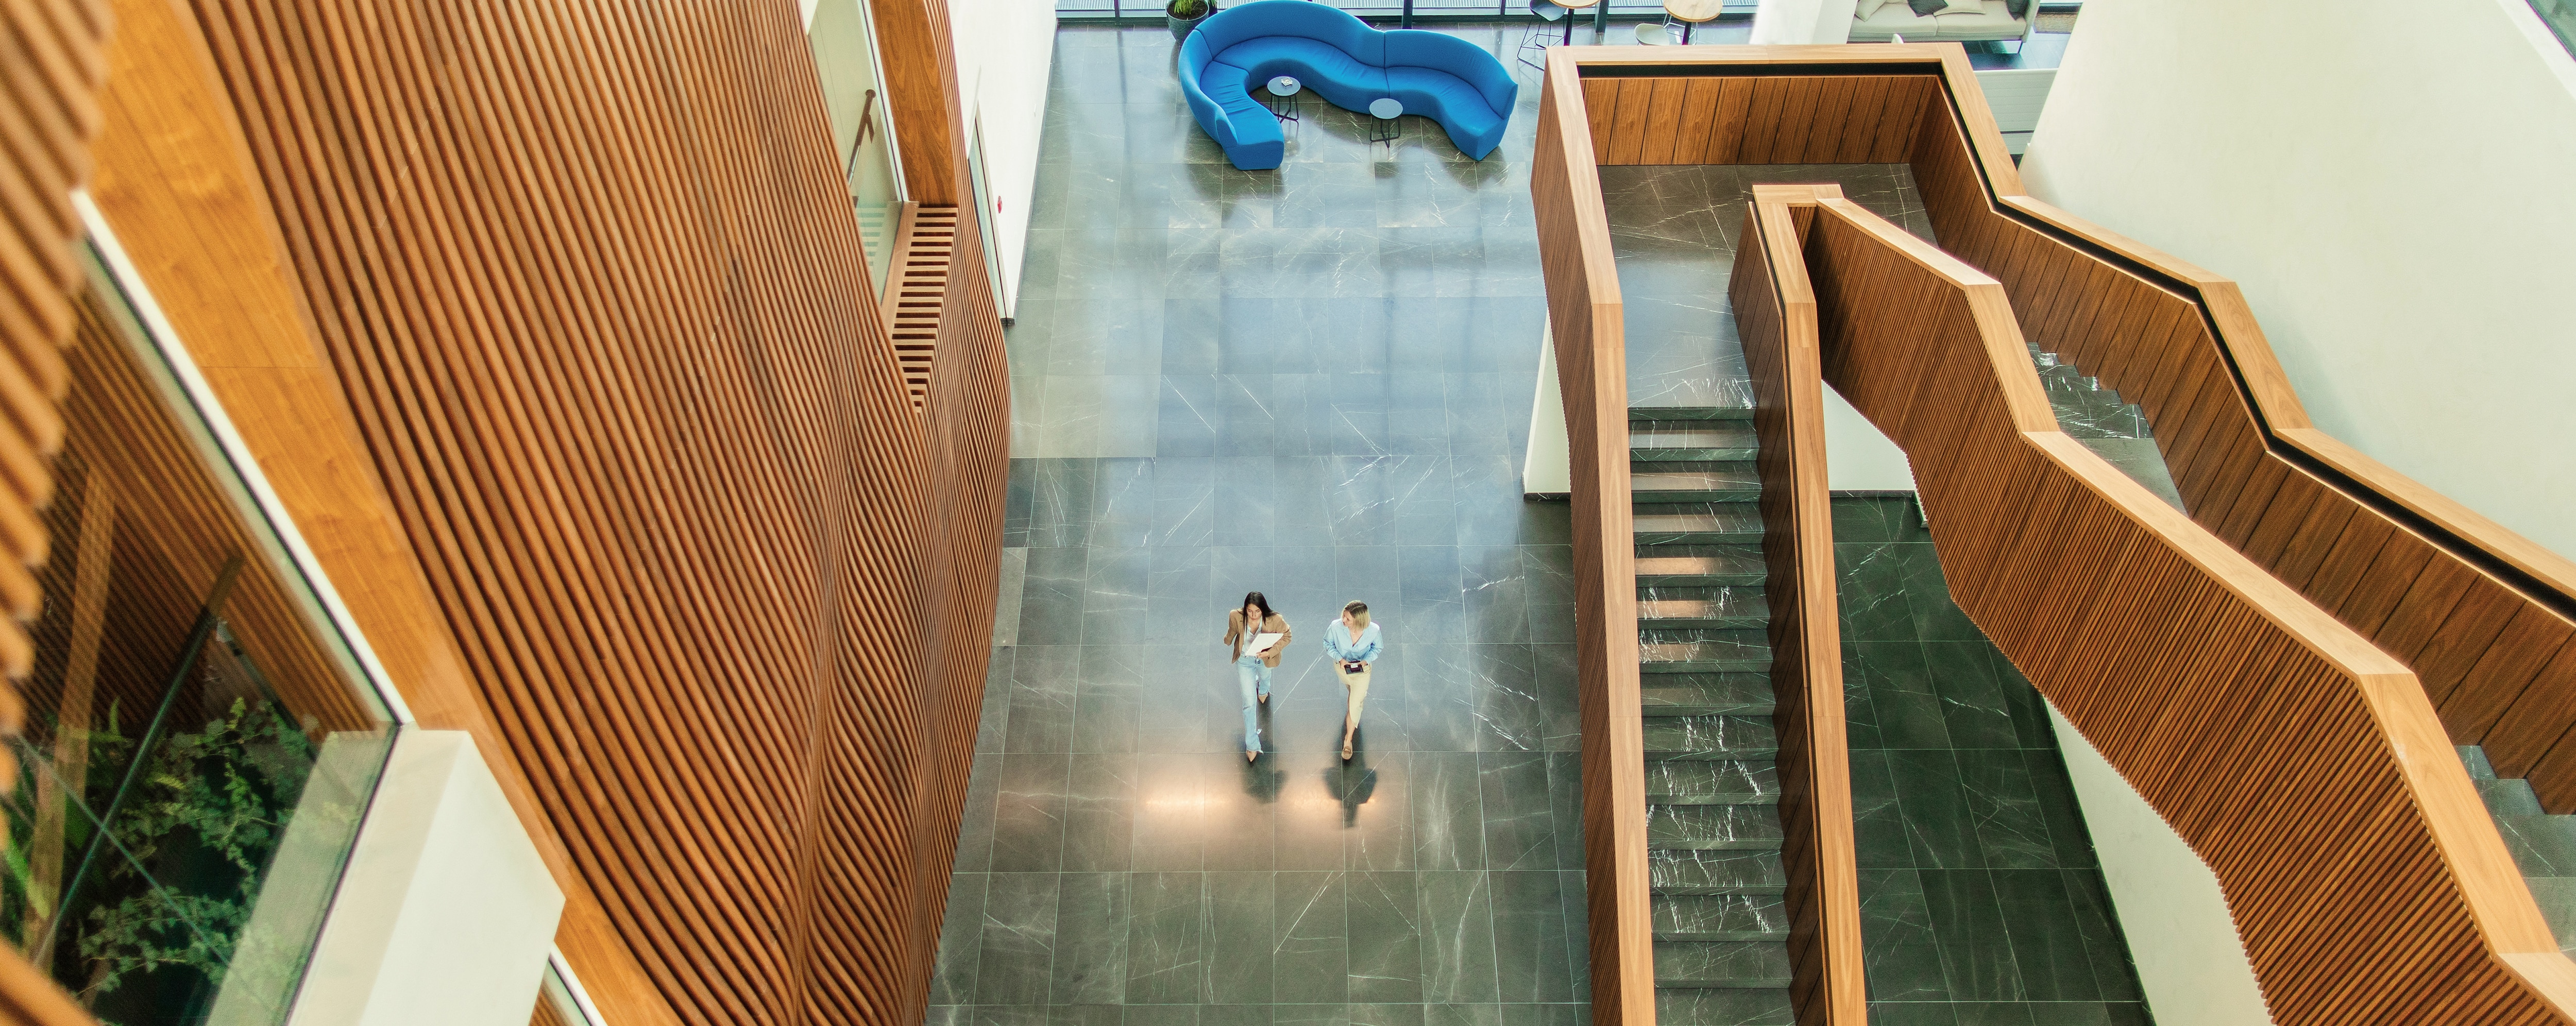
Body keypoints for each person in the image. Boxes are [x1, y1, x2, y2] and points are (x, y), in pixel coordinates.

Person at [1223, 592, 1291, 763]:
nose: (1253, 616)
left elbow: (1287, 636)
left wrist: (1270, 652)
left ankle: (1264, 689)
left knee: (1265, 677)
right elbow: (1232, 631)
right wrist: (1228, 640)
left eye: (1257, 612)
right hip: (1245, 661)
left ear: (1263, 610)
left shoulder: (1275, 619)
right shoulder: (1235, 616)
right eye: (1250, 611)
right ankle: (1252, 744)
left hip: (1264, 659)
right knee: (1249, 703)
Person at [1322, 600, 1381, 761]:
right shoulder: (1336, 627)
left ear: (1359, 620)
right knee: (1351, 691)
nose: (1344, 620)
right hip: (1343, 669)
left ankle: (1348, 740)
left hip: (1362, 672)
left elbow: (1377, 648)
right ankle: (1354, 694)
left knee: (1355, 704)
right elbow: (1328, 643)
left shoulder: (1373, 630)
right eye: (1344, 616)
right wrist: (1340, 659)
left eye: (1348, 619)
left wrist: (1367, 660)